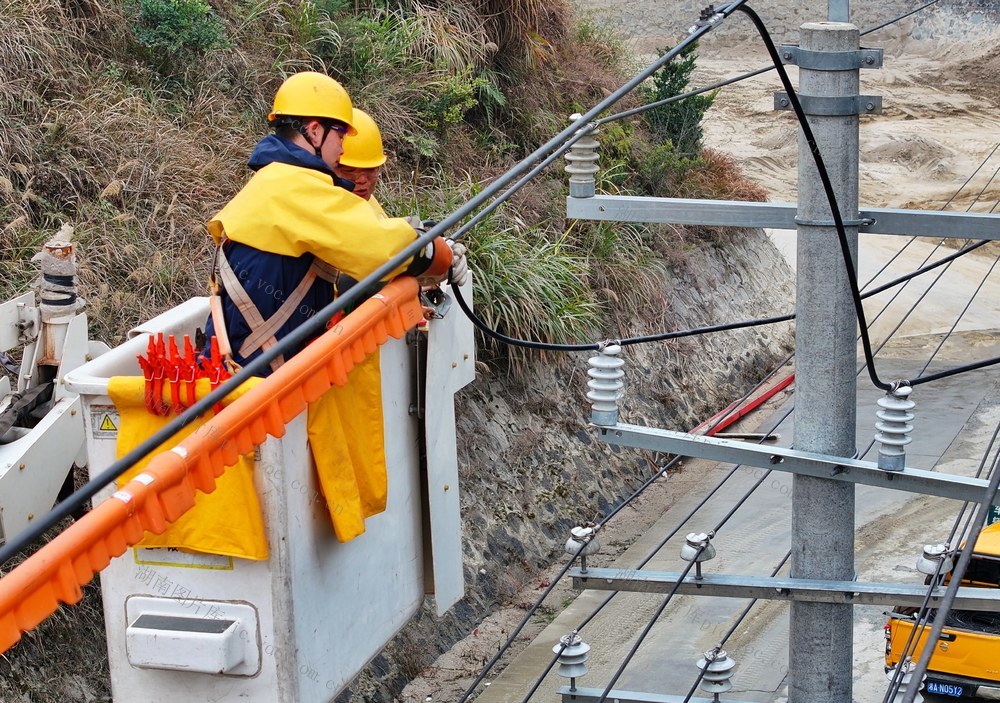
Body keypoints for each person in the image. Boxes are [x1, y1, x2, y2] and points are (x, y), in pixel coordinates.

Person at [204, 71, 460, 375]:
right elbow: (378, 249)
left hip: (247, 364)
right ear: (315, 132)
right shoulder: (296, 186)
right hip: (259, 378)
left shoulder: (275, 178)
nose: (342, 148)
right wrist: (436, 253)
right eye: (340, 134)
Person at [332, 107, 469, 298]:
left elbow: (387, 269)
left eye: (370, 170)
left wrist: (440, 265)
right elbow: (355, 274)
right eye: (349, 170)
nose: (362, 180)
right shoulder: (324, 208)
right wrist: (428, 253)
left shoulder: (367, 201)